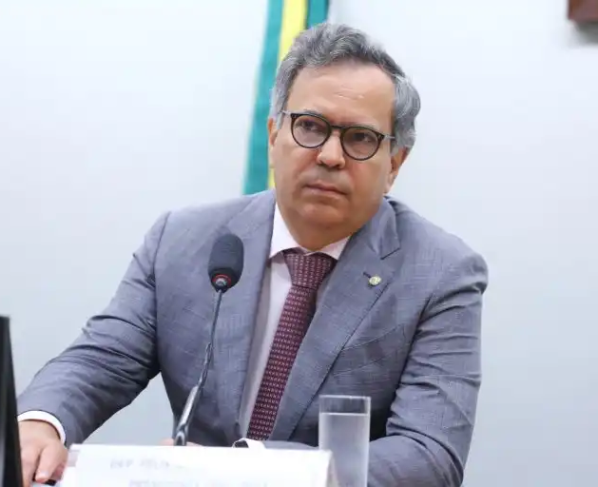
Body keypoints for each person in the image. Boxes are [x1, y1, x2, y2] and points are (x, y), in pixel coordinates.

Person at [17, 22, 488, 487]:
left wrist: (249, 469)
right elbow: (101, 360)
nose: (330, 155)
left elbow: (429, 455)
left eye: (360, 138)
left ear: (394, 165)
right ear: (273, 135)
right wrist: (41, 421)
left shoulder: (439, 274)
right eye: (310, 126)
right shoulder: (183, 240)